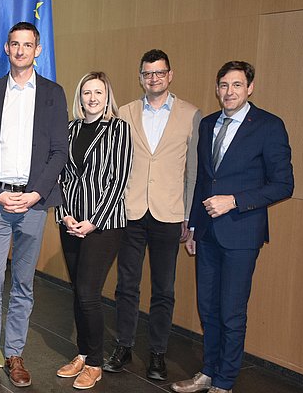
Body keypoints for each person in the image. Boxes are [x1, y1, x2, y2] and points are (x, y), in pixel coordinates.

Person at [171, 61, 293, 393]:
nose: (229, 92)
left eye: (237, 85)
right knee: (208, 308)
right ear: (217, 88)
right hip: (207, 233)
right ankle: (208, 371)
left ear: (250, 88)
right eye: (224, 85)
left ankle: (224, 381)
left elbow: (283, 185)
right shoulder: (209, 124)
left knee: (231, 311)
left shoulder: (269, 126)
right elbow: (201, 181)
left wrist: (234, 200)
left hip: (241, 233)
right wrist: (193, 226)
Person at [0, 21, 69, 389]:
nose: (21, 50)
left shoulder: (53, 94)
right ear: (6, 49)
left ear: (37, 50)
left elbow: (59, 151)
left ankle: (14, 354)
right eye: (14, 44)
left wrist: (35, 194)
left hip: (33, 203)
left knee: (23, 285)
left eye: (28, 45)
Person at [105, 49, 201, 380]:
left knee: (164, 288)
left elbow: (194, 173)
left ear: (170, 75)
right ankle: (124, 345)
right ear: (140, 77)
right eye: (147, 73)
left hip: (170, 214)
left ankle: (158, 353)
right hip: (130, 211)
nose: (154, 78)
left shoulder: (191, 114)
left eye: (159, 73)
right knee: (126, 285)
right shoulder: (126, 112)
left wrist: (190, 216)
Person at [54, 72, 133, 389]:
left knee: (88, 293)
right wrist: (64, 215)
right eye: (87, 92)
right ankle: (83, 353)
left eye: (98, 92)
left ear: (107, 95)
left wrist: (94, 220)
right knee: (78, 293)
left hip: (103, 225)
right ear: (80, 96)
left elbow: (119, 180)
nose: (92, 98)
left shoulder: (118, 129)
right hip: (71, 222)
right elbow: (60, 176)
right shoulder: (70, 129)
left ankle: (96, 362)